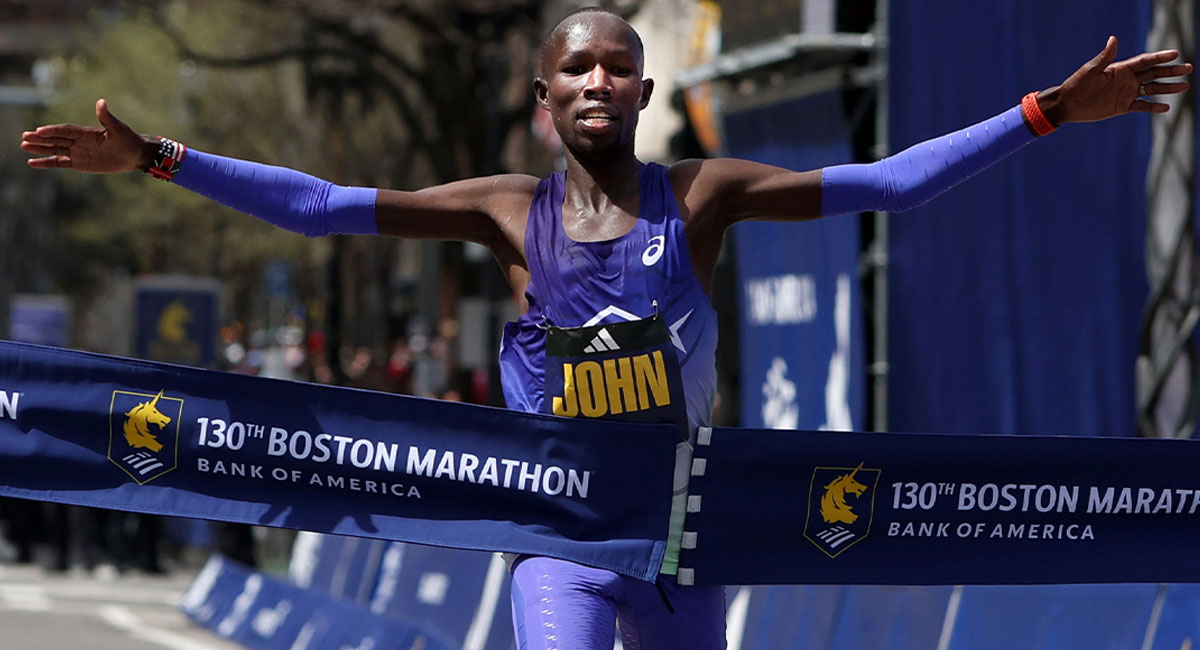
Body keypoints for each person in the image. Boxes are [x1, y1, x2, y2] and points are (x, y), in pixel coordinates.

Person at [20, 7, 1192, 649]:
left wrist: (1043, 112)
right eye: (574, 67)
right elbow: (323, 207)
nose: (596, 82)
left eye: (619, 68)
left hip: (687, 544)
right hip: (564, 541)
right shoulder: (501, 212)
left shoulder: (706, 195)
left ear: (640, 92)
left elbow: (887, 184)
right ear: (544, 101)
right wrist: (163, 159)